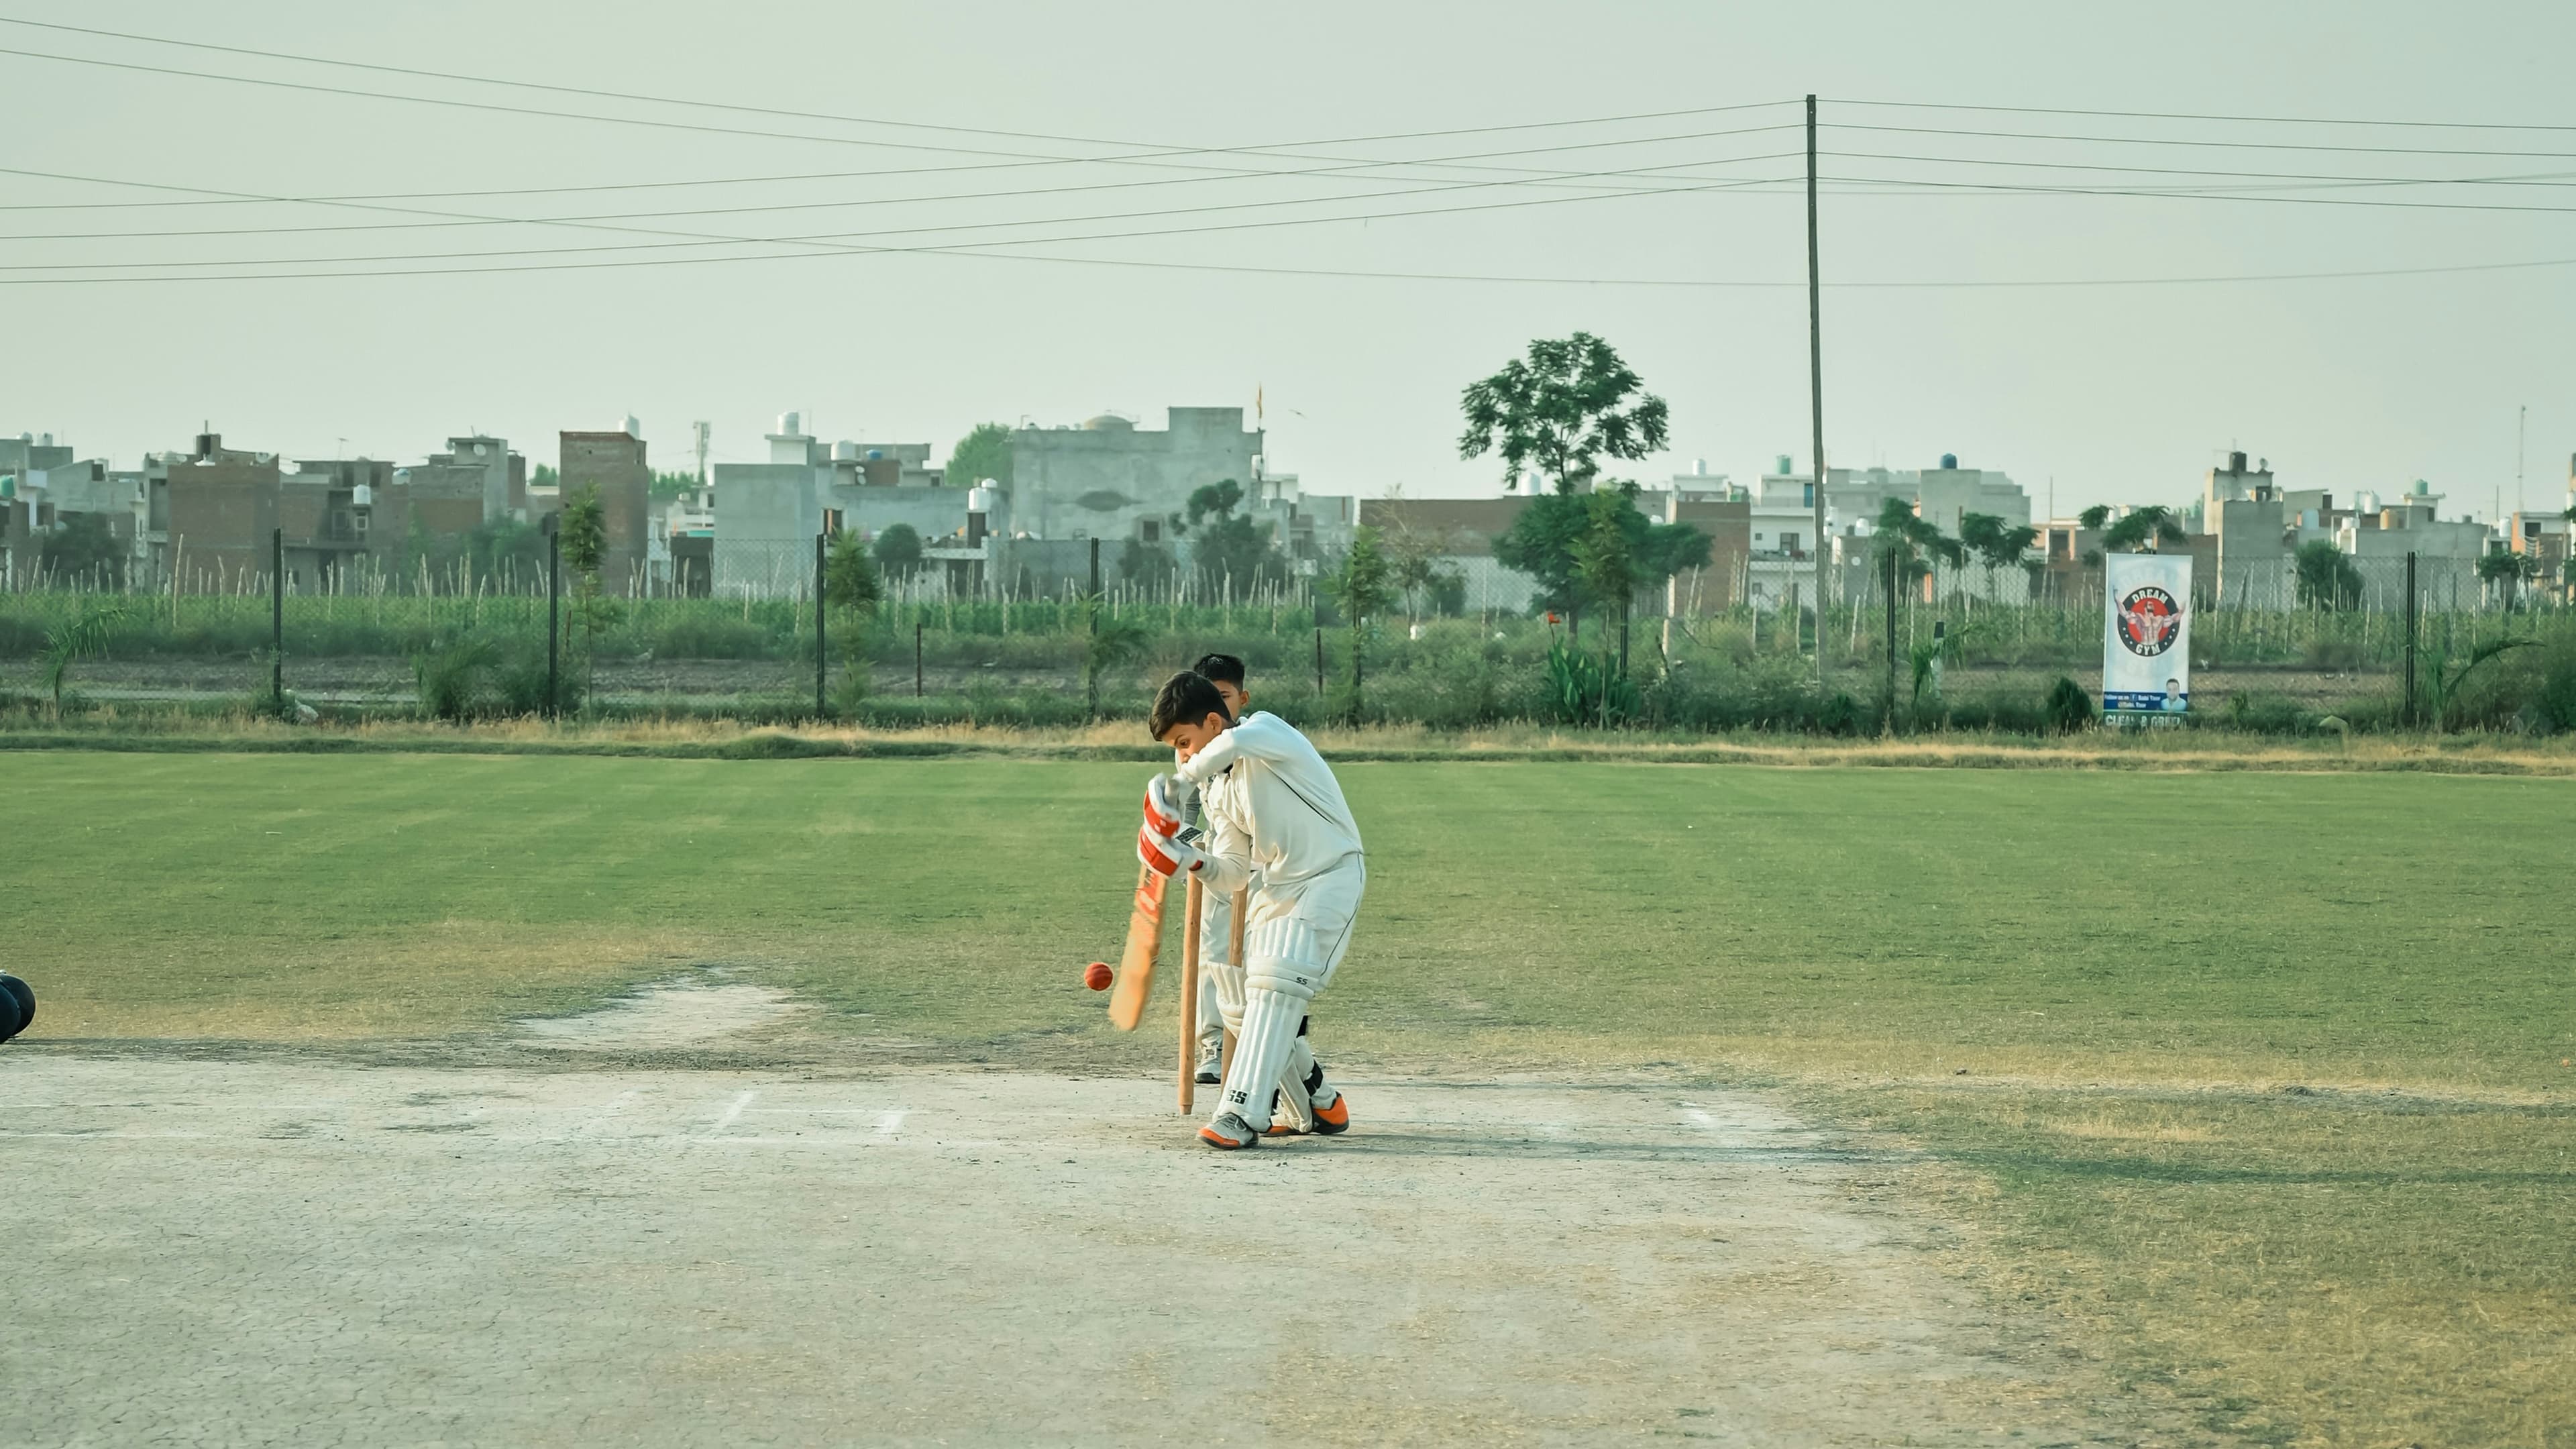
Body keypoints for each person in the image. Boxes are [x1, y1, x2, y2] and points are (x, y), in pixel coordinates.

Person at [1139, 671, 1360, 1149]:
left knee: (1276, 981)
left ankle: (1240, 1114)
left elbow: (1232, 745)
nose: (1183, 755)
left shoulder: (1266, 732)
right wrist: (1186, 858)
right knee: (1239, 999)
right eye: (1175, 749)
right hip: (1277, 887)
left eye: (1184, 742)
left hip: (1331, 874)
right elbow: (1234, 873)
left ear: (1214, 723)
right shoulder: (1217, 789)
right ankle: (1317, 1103)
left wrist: (1179, 783)